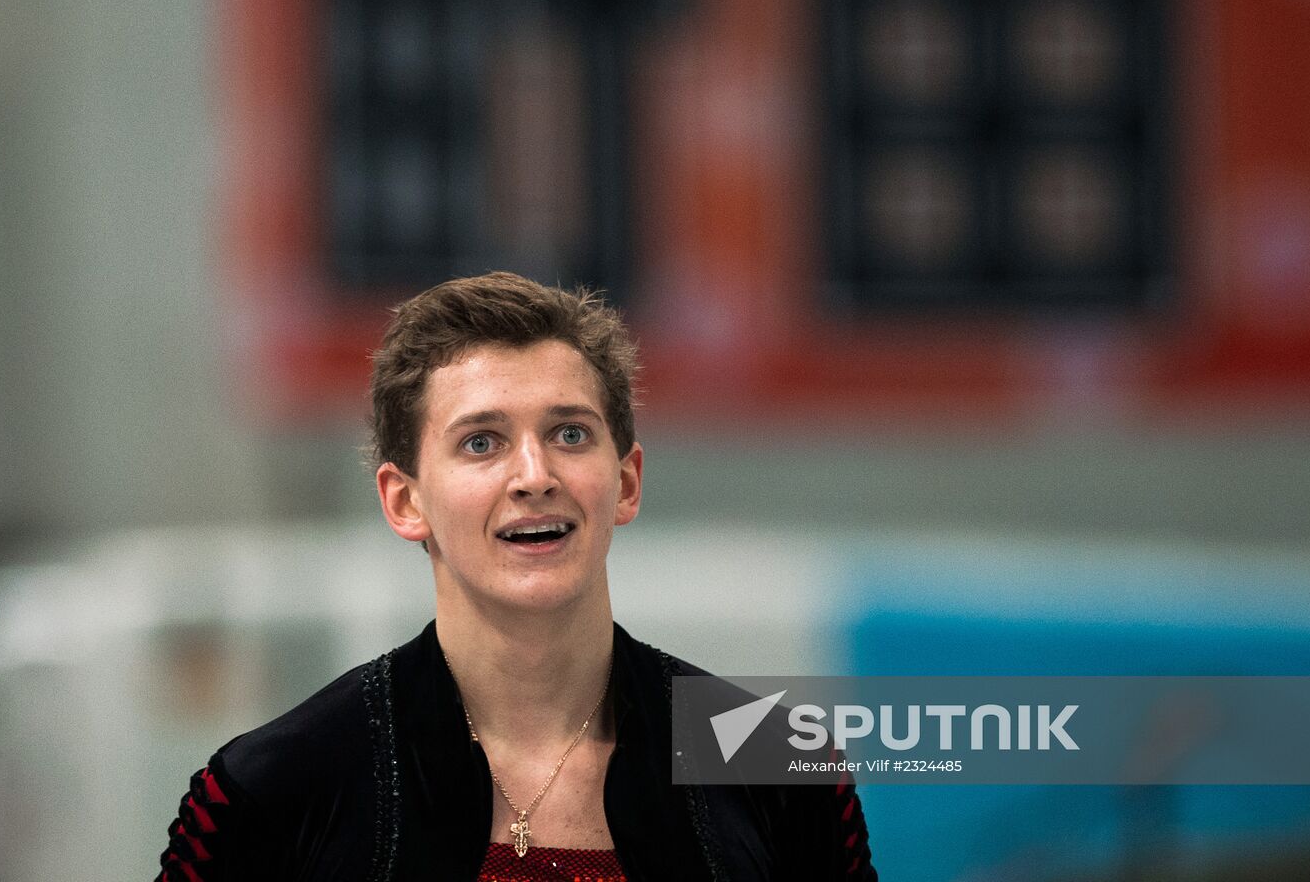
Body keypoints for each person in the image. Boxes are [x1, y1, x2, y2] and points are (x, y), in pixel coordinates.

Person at [156, 272, 877, 881]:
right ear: (405, 502)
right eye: (481, 442)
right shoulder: (277, 787)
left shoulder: (777, 770)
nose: (534, 476)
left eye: (569, 434)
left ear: (625, 482)